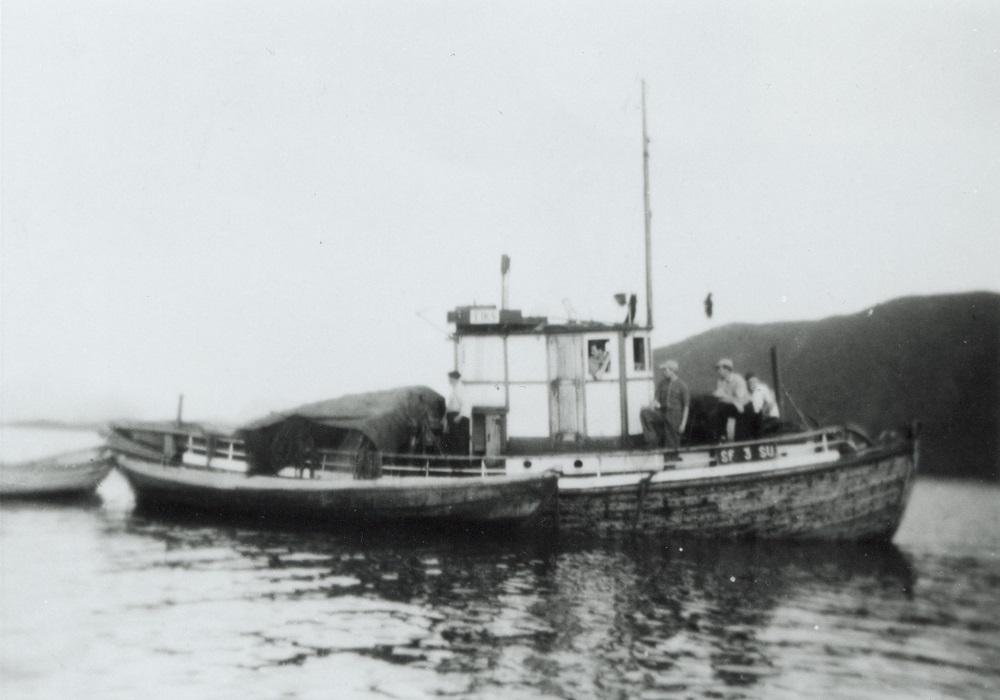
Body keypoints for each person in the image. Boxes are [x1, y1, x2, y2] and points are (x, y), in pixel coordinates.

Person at [640, 359, 690, 451]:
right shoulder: (662, 384)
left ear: (672, 371)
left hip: (675, 415)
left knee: (671, 443)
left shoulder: (682, 385)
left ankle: (672, 458)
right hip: (663, 413)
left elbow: (686, 407)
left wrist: (683, 424)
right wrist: (649, 406)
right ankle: (652, 441)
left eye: (665, 370)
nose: (663, 372)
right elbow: (655, 400)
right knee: (645, 413)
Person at [711, 357, 751, 441]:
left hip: (745, 407)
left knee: (740, 436)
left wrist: (724, 396)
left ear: (727, 369)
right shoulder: (720, 381)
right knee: (717, 410)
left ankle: (740, 443)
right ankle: (722, 436)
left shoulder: (738, 380)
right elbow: (720, 399)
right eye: (717, 368)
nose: (717, 371)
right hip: (733, 406)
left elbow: (739, 400)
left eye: (719, 368)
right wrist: (724, 397)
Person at [443, 370, 471, 455]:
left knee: (459, 442)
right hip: (453, 417)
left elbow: (466, 404)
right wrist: (445, 418)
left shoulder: (460, 389)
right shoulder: (454, 390)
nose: (449, 381)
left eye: (450, 379)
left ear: (454, 379)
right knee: (455, 441)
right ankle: (457, 464)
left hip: (458, 418)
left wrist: (459, 416)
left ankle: (460, 465)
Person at [746, 372, 781, 437]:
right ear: (747, 384)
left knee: (753, 431)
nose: (753, 384)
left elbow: (770, 404)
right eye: (750, 382)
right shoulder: (749, 393)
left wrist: (761, 415)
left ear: (758, 381)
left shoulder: (761, 388)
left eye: (755, 382)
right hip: (762, 421)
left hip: (771, 419)